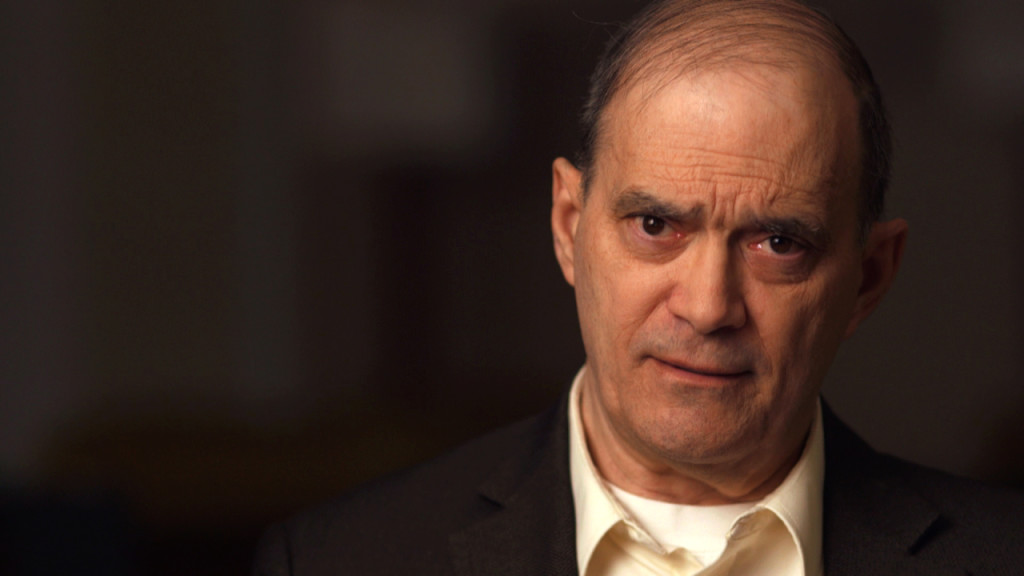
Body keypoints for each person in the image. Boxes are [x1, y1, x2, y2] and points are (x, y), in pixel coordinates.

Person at [253, 0, 1024, 574]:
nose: (708, 307)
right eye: (656, 226)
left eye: (778, 243)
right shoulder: (336, 561)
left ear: (869, 277)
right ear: (568, 226)